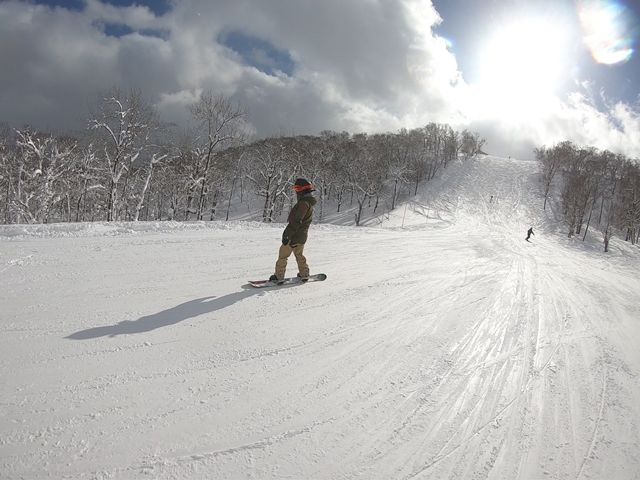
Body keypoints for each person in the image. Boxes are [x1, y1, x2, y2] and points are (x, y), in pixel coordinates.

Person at [269, 178, 317, 284]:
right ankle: (304, 274)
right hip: (302, 236)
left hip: (294, 235)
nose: (296, 191)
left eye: (297, 188)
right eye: (295, 188)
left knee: (283, 255)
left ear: (303, 190)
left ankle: (279, 276)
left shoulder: (303, 203)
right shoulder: (308, 203)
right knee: (299, 255)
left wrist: (287, 235)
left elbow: (296, 221)